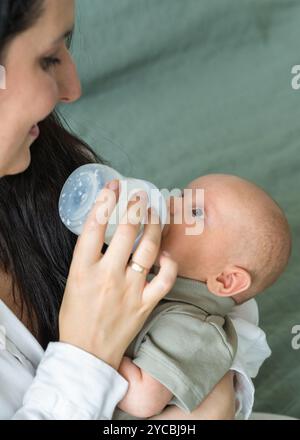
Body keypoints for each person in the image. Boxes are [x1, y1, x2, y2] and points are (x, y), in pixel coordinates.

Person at [0, 0, 270, 419]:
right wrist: (87, 353)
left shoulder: (38, 161)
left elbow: (230, 297)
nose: (73, 89)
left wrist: (216, 393)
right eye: (48, 58)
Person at [113, 174, 291, 419]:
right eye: (182, 195)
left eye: (196, 213)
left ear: (225, 280)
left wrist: (90, 343)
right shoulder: (156, 289)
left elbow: (143, 398)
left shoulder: (194, 328)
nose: (171, 203)